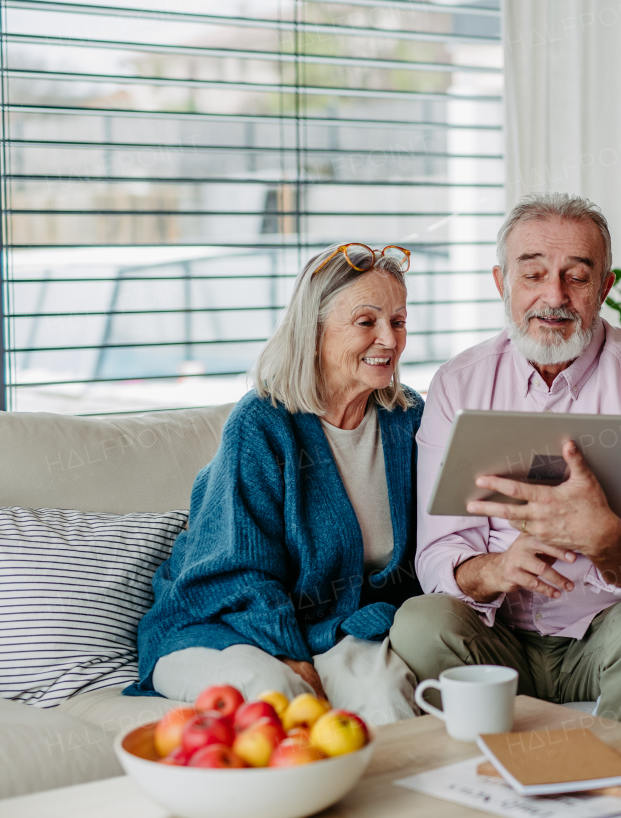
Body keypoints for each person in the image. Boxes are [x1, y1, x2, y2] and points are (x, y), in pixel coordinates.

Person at [389, 193, 621, 735]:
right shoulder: (457, 384)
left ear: (604, 286)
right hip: (494, 639)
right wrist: (498, 570)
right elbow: (438, 552)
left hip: (603, 634)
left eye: (577, 277)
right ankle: (486, 786)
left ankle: (617, 792)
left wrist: (604, 538)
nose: (553, 297)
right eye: (532, 275)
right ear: (501, 282)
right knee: (419, 622)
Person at [130, 244, 424, 726]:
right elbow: (235, 571)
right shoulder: (262, 424)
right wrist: (291, 657)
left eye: (399, 321)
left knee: (388, 694)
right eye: (367, 322)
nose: (389, 339)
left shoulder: (406, 419)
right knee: (278, 697)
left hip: (329, 627)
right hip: (220, 623)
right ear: (314, 332)